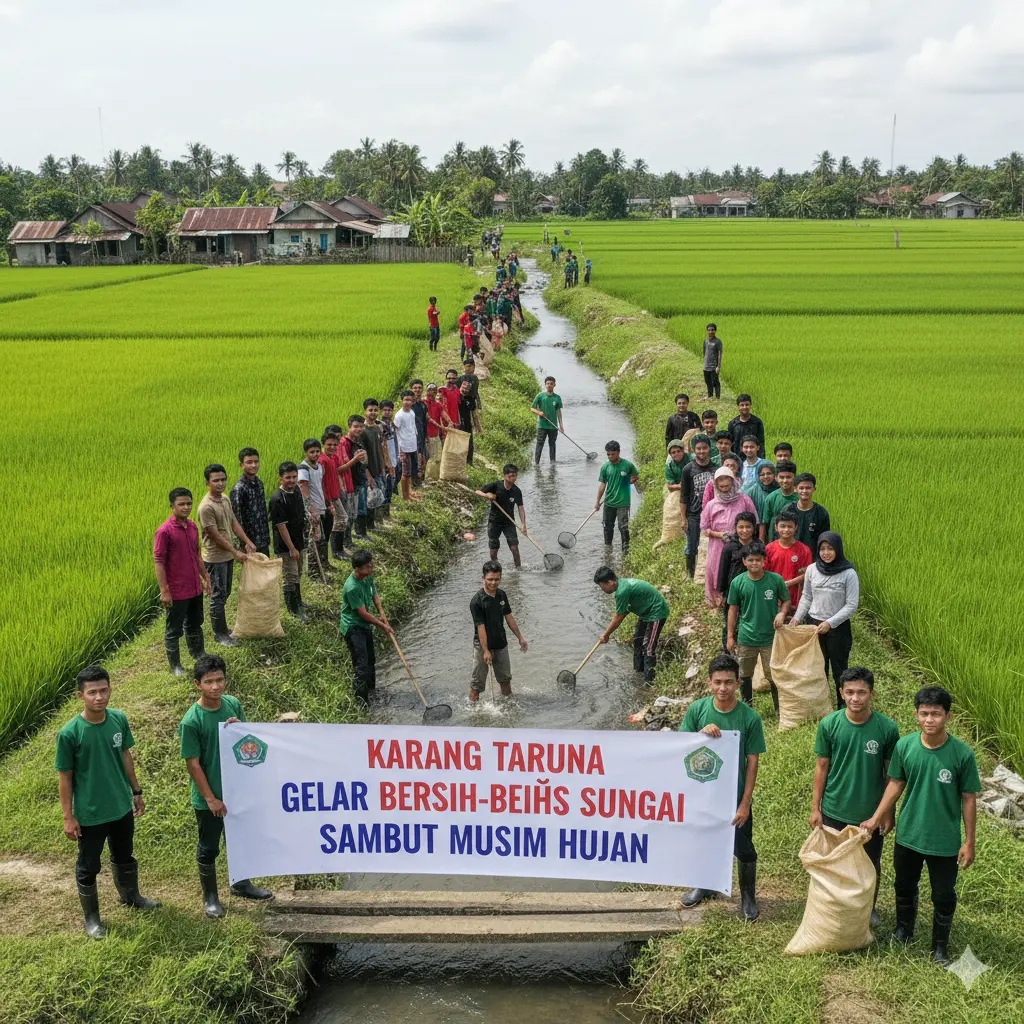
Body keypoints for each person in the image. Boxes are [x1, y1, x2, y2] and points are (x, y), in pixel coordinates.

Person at [861, 685, 980, 964]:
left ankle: (940, 947)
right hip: (909, 835)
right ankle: (903, 931)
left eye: (936, 714)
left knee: (943, 895)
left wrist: (969, 841)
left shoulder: (962, 755)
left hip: (944, 841)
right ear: (916, 715)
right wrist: (877, 817)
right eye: (924, 713)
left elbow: (968, 799)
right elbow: (895, 784)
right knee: (903, 885)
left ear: (947, 717)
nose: (930, 720)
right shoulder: (905, 746)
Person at [57, 665, 160, 939]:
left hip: (121, 807)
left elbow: (125, 755)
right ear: (81, 695)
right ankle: (92, 919)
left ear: (110, 690)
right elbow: (65, 778)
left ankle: (131, 896)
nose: (99, 697)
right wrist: (69, 817)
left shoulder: (118, 720)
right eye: (92, 692)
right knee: (89, 865)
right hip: (91, 814)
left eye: (103, 690)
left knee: (124, 856)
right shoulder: (70, 733)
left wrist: (136, 791)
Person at [179, 654, 272, 919]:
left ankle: (242, 884)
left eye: (219, 680)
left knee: (240, 840)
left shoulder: (233, 705)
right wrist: (210, 798)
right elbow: (193, 764)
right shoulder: (192, 721)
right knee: (209, 847)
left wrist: (241, 728)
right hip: (210, 796)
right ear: (198, 684)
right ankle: (210, 898)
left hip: (236, 791)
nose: (215, 686)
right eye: (209, 682)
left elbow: (249, 743)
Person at [810, 666, 900, 930]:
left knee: (870, 863)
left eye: (861, 692)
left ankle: (868, 909)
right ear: (841, 692)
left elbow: (890, 776)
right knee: (833, 862)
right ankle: (834, 907)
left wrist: (887, 813)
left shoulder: (887, 729)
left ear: (872, 693)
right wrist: (816, 808)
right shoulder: (830, 724)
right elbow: (822, 767)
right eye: (849, 692)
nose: (855, 698)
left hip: (869, 814)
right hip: (834, 808)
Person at [680, 654, 764, 920]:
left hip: (734, 796)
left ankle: (748, 895)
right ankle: (704, 885)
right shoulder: (697, 710)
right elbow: (680, 748)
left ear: (738, 683)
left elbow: (752, 763)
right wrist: (700, 735)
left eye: (729, 682)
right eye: (717, 682)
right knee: (703, 841)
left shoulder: (749, 718)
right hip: (703, 793)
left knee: (744, 847)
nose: (723, 688)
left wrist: (745, 802)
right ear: (709, 682)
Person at [792, 532, 860, 709]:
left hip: (837, 629)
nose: (826, 553)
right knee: (818, 669)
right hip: (814, 625)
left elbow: (852, 605)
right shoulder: (812, 570)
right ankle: (821, 705)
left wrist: (830, 622)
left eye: (830, 548)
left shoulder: (848, 573)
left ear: (838, 549)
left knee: (840, 669)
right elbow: (806, 596)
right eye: (822, 549)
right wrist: (797, 618)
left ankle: (841, 707)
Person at [197, 465, 255, 648]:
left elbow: (233, 522)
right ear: (208, 482)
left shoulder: (225, 499)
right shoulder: (206, 507)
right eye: (216, 480)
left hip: (227, 556)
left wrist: (246, 541)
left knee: (226, 592)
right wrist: (235, 551)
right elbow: (215, 536)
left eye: (223, 479)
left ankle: (222, 628)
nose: (220, 483)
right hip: (215, 558)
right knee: (218, 595)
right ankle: (220, 634)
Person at [727, 541, 789, 710]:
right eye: (751, 560)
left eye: (758, 560)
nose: (754, 563)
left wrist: (782, 613)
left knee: (773, 675)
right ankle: (748, 708)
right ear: (744, 561)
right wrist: (730, 636)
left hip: (771, 637)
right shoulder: (737, 583)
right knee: (746, 675)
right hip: (747, 637)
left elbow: (786, 600)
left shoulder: (775, 580)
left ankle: (779, 710)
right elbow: (733, 610)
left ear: (764, 561)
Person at [155, 487, 210, 676]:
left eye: (188, 503)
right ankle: (176, 666)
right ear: (172, 506)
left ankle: (198, 653)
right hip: (177, 590)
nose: (186, 507)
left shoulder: (193, 526)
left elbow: (197, 554)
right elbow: (159, 562)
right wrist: (164, 590)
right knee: (174, 629)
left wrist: (206, 577)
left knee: (196, 623)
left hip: (195, 586)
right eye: (181, 504)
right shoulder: (164, 531)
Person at [594, 567, 670, 683]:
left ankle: (649, 681)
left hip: (656, 612)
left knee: (648, 647)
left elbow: (619, 617)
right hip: (645, 612)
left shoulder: (622, 591)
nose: (602, 589)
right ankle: (638, 673)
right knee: (638, 640)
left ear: (610, 582)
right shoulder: (622, 585)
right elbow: (624, 611)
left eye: (601, 586)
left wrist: (606, 635)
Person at [700, 467, 759, 609]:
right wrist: (719, 534)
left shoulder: (744, 500)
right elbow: (704, 528)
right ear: (715, 484)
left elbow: (754, 520)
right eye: (720, 480)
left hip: (741, 542)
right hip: (718, 544)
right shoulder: (712, 504)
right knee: (716, 569)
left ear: (733, 481)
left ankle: (742, 599)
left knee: (740, 568)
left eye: (727, 480)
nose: (724, 484)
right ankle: (718, 600)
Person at [470, 560, 528, 702]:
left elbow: (509, 617)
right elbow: (481, 628)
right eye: (490, 579)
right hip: (482, 646)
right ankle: (473, 712)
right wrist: (485, 651)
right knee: (476, 685)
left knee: (505, 680)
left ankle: (508, 708)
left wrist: (520, 637)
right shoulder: (477, 602)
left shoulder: (502, 595)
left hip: (501, 644)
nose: (493, 583)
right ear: (483, 578)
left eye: (497, 579)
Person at [340, 549, 393, 704]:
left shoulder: (367, 577)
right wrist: (381, 625)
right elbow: (362, 613)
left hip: (364, 625)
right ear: (358, 569)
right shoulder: (352, 587)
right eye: (368, 566)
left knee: (371, 660)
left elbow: (374, 596)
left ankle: (372, 693)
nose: (372, 569)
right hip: (353, 627)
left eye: (371, 565)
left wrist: (382, 614)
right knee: (361, 664)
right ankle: (361, 702)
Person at [269, 461, 309, 621]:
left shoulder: (297, 490)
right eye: (288, 478)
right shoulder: (277, 499)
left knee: (298, 572)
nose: (291, 480)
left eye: (294, 477)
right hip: (286, 546)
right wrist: (292, 548)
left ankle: (298, 601)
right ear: (281, 479)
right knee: (290, 576)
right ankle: (293, 609)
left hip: (299, 541)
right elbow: (281, 527)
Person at [717, 511, 758, 649]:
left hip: (754, 591)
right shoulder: (730, 547)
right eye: (741, 527)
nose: (744, 530)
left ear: (754, 528)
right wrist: (722, 593)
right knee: (730, 622)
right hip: (733, 592)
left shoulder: (759, 546)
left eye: (748, 527)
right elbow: (723, 570)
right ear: (735, 527)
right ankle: (728, 650)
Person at [477, 464, 526, 568]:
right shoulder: (496, 485)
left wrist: (523, 525)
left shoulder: (516, 491)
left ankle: (518, 572)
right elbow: (478, 491)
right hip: (494, 522)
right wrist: (487, 495)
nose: (513, 478)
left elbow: (521, 508)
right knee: (494, 550)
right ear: (504, 476)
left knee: (514, 548)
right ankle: (496, 569)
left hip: (509, 523)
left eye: (515, 476)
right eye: (510, 476)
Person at [596, 440, 641, 554]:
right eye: (608, 454)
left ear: (618, 452)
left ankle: (626, 552)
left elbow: (635, 476)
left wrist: (629, 481)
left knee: (623, 527)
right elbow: (602, 485)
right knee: (607, 527)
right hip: (609, 502)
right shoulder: (606, 467)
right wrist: (597, 502)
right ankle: (608, 551)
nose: (610, 456)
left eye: (613, 454)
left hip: (623, 503)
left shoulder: (627, 465)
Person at [680, 435, 715, 578]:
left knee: (712, 544)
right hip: (694, 513)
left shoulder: (715, 468)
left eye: (704, 448)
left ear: (709, 449)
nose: (701, 451)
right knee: (691, 545)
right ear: (693, 450)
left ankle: (709, 573)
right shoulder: (688, 469)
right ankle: (690, 573)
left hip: (712, 514)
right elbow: (684, 495)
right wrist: (684, 518)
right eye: (698, 449)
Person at [765, 509, 813, 607]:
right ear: (776, 527)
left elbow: (807, 574)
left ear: (796, 528)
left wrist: (788, 583)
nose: (786, 530)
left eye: (790, 526)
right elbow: (764, 572)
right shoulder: (769, 548)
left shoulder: (804, 550)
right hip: (773, 594)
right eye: (782, 526)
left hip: (795, 598)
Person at [297, 439, 328, 581]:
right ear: (306, 453)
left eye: (317, 451)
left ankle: (321, 568)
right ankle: (314, 575)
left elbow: (320, 485)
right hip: (311, 510)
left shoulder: (320, 466)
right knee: (313, 541)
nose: (315, 454)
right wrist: (311, 508)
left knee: (320, 539)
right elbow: (304, 487)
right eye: (312, 452)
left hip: (320, 507)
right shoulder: (303, 468)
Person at [230, 448, 270, 557]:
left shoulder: (259, 483)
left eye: (256, 462)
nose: (253, 465)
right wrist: (245, 542)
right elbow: (237, 519)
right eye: (249, 462)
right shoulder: (239, 489)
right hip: (249, 543)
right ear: (241, 465)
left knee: (265, 572)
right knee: (252, 573)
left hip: (263, 539)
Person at [362, 400, 393, 524]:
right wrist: (367, 474)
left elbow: (384, 447)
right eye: (370, 410)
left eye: (375, 410)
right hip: (369, 469)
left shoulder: (380, 427)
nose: (373, 412)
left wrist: (388, 464)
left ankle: (379, 521)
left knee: (381, 492)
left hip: (380, 467)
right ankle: (370, 525)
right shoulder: (362, 430)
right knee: (371, 496)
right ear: (365, 411)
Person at [318, 432, 345, 562]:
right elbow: (322, 484)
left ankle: (331, 555)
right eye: (329, 445)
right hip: (327, 500)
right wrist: (328, 503)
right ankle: (335, 552)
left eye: (335, 445)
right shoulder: (322, 460)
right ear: (323, 444)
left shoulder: (332, 458)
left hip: (334, 496)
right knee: (328, 529)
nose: (332, 447)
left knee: (337, 522)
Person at [784, 473, 831, 548]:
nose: (805, 491)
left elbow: (825, 538)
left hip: (813, 556)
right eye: (801, 488)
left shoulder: (821, 512)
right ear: (795, 489)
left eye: (808, 488)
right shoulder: (788, 510)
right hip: (791, 553)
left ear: (814, 489)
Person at [394, 392, 422, 505]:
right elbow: (395, 432)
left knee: (410, 471)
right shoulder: (399, 415)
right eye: (405, 400)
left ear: (413, 401)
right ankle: (405, 496)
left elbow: (413, 428)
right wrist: (399, 449)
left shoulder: (411, 412)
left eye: (410, 400)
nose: (408, 402)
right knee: (405, 473)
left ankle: (410, 491)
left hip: (412, 446)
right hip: (404, 448)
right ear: (402, 400)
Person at [760, 460, 798, 541]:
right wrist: (762, 543)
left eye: (788, 477)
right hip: (775, 541)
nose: (785, 481)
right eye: (781, 477)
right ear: (776, 478)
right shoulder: (771, 498)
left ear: (794, 477)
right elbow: (765, 523)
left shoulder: (800, 498)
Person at [531, 375, 564, 463]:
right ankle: (536, 463)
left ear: (554, 385)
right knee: (540, 444)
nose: (549, 385)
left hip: (553, 426)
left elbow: (559, 412)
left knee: (552, 444)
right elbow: (532, 408)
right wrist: (539, 412)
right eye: (547, 384)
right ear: (545, 385)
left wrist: (561, 425)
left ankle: (552, 464)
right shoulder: (540, 396)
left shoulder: (557, 398)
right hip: (542, 425)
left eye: (551, 384)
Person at [379, 400, 400, 516]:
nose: (387, 412)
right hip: (386, 462)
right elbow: (383, 446)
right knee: (386, 486)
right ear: (381, 411)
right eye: (385, 410)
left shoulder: (391, 424)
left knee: (391, 485)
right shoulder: (380, 426)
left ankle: (387, 511)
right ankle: (384, 514)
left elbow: (395, 441)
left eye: (389, 410)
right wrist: (387, 462)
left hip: (394, 458)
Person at [458, 377, 483, 466]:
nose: (465, 390)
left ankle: (469, 464)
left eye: (467, 389)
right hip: (456, 425)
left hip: (467, 424)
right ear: (460, 387)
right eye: (463, 388)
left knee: (469, 445)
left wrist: (479, 429)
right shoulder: (455, 396)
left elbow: (475, 416)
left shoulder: (471, 399)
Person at [410, 380, 429, 485]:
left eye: (419, 388)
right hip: (412, 437)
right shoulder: (409, 406)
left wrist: (426, 436)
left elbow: (424, 422)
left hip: (421, 435)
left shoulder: (423, 405)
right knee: (414, 459)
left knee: (421, 457)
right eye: (415, 388)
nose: (417, 390)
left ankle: (419, 480)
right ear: (412, 390)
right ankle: (413, 483)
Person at [424, 383, 445, 461]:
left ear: (436, 393)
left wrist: (442, 431)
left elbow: (441, 418)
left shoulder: (438, 405)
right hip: (425, 436)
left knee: (436, 458)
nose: (431, 392)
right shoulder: (423, 403)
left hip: (435, 435)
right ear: (426, 391)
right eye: (429, 390)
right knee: (427, 459)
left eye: (433, 391)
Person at [703, 323, 723, 399]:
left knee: (715, 382)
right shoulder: (705, 341)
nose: (711, 332)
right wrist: (704, 362)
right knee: (707, 382)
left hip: (714, 366)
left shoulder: (718, 342)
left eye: (712, 330)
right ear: (707, 331)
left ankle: (718, 397)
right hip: (706, 366)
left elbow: (719, 354)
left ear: (715, 331)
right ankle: (710, 395)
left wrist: (718, 366)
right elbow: (704, 352)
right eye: (709, 330)